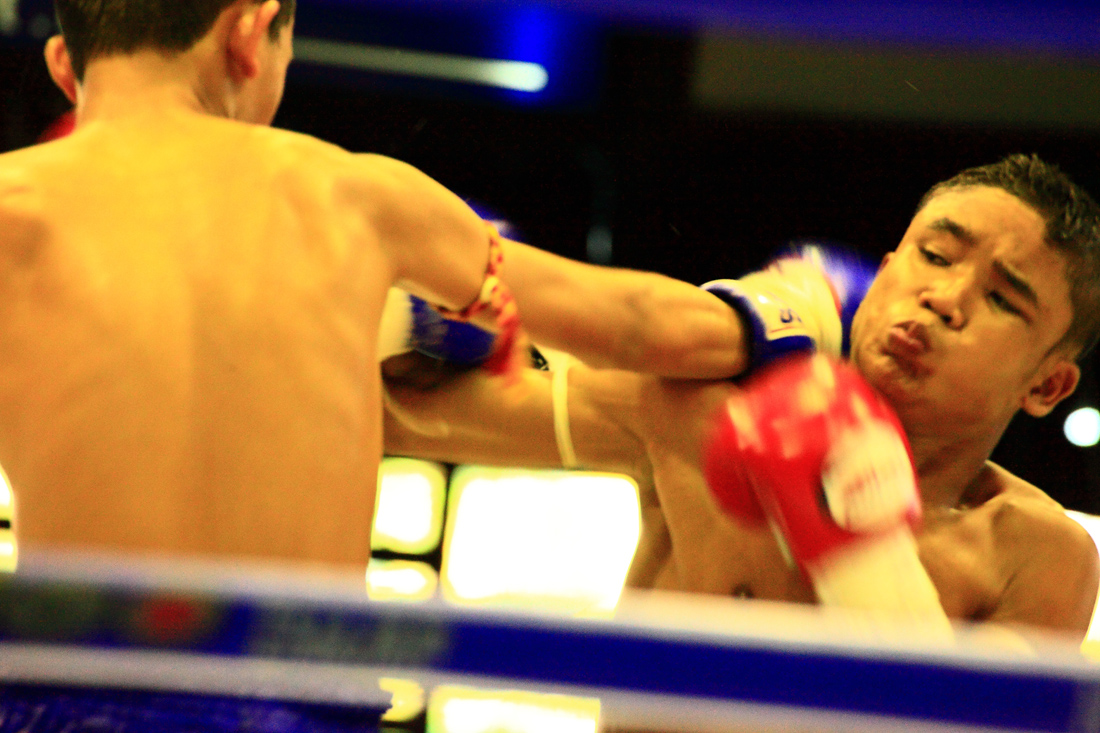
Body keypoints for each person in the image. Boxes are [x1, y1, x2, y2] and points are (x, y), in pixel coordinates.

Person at [0, 0, 751, 568]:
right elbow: (649, 327)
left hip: (63, 687)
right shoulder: (354, 199)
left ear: (63, 66)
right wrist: (794, 310)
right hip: (291, 692)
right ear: (250, 34)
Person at [384, 154, 1100, 640]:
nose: (944, 297)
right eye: (934, 256)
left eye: (1003, 300)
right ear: (884, 272)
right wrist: (402, 327)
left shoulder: (1036, 553)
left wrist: (861, 555)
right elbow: (403, 421)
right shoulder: (699, 409)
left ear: (1048, 384)